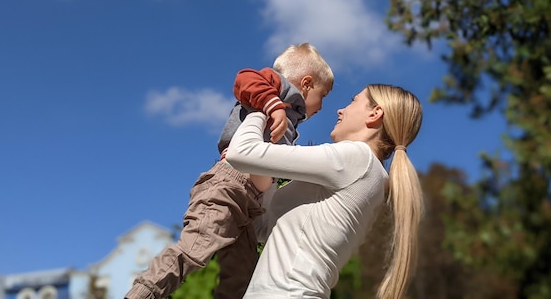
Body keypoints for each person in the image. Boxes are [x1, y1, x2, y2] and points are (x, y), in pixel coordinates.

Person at [125, 43, 334, 299]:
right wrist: (273, 105)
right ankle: (143, 294)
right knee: (196, 247)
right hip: (230, 184)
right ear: (306, 83)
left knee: (241, 276)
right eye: (323, 95)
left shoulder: (291, 120)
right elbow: (244, 78)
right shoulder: (277, 88)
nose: (322, 107)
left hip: (249, 205)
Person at [225, 84, 424, 299]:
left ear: (375, 114)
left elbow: (241, 153)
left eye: (353, 100)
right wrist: (262, 170)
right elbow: (264, 229)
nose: (341, 110)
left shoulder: (357, 157)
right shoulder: (371, 175)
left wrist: (260, 106)